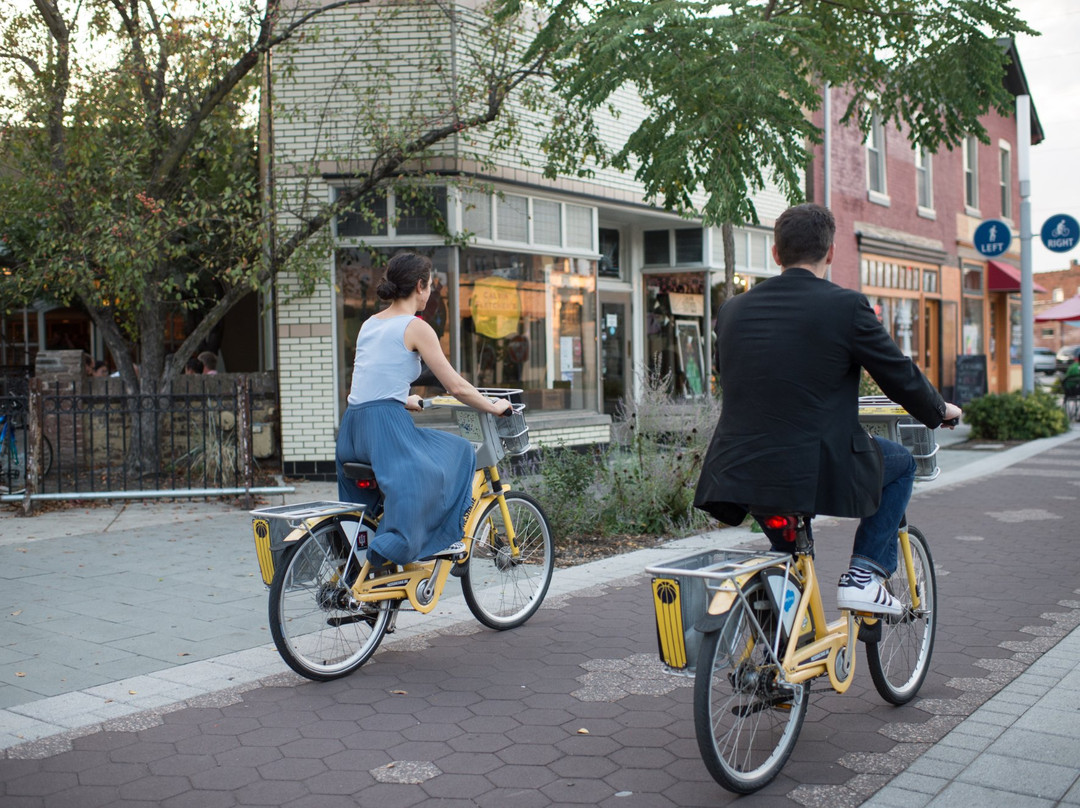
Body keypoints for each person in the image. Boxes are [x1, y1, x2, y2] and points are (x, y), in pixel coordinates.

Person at [694, 204, 962, 616]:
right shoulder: (847, 307)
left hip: (737, 466)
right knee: (902, 464)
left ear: (776, 254)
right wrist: (938, 409)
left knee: (786, 554)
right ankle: (864, 575)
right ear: (831, 253)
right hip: (813, 465)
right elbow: (898, 375)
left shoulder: (732, 311)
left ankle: (775, 662)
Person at [336, 252, 512, 572]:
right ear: (420, 286)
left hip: (352, 428)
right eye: (430, 285)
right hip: (384, 430)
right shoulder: (416, 327)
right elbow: (456, 387)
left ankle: (364, 571)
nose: (430, 292)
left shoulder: (369, 324)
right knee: (458, 452)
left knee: (368, 510)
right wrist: (494, 406)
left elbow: (369, 382)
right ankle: (429, 541)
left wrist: (404, 399)